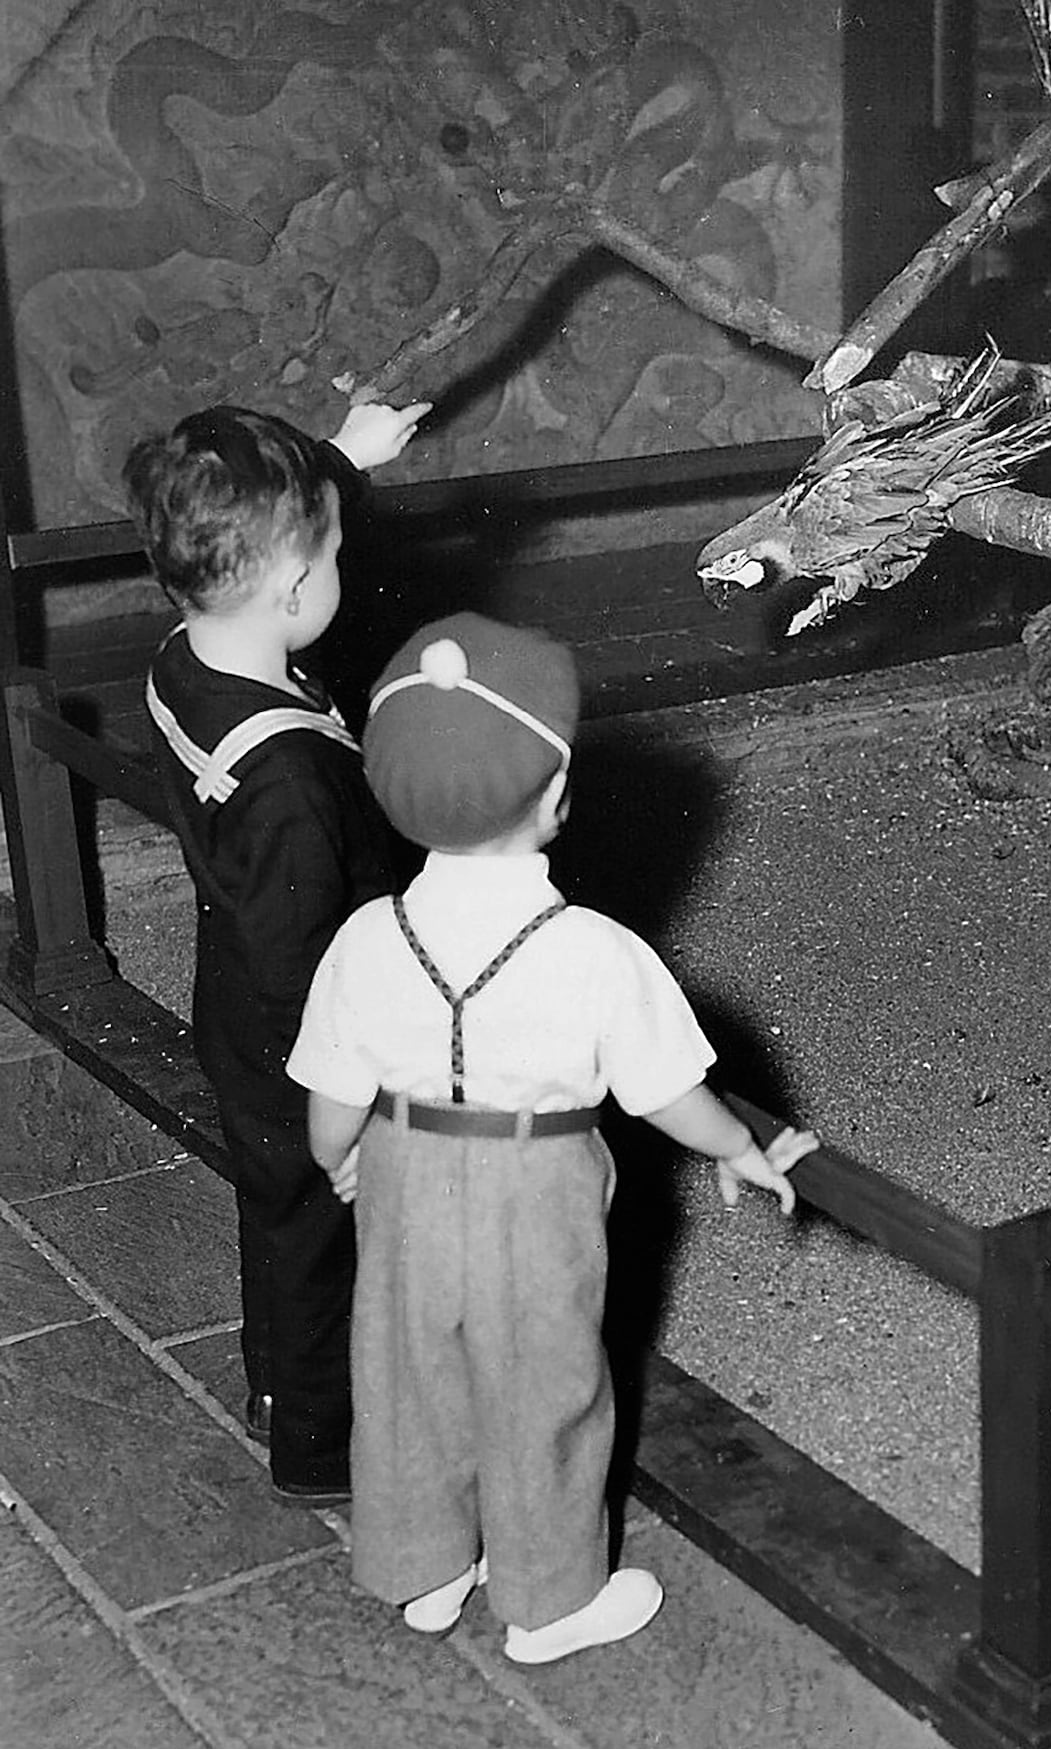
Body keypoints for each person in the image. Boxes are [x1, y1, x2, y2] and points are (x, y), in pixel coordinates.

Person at [284, 612, 817, 1664]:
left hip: (401, 1165)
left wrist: (338, 1156)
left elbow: (330, 1092)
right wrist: (736, 1150)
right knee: (547, 1378)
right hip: (537, 1179)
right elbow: (670, 1090)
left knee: (404, 1367)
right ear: (559, 797)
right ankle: (549, 1594)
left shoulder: (364, 937)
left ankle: (424, 1566)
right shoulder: (594, 952)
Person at [123, 397, 431, 1506]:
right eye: (336, 547)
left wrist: (341, 460)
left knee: (279, 1213)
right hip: (310, 1030)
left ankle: (269, 1383)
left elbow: (263, 533)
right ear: (297, 587)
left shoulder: (182, 657)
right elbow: (312, 966)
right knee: (324, 1241)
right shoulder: (294, 778)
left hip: (238, 1003)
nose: (343, 559)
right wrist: (348, 1104)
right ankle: (319, 1446)